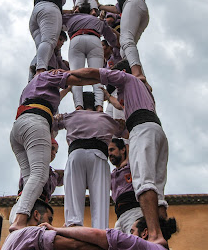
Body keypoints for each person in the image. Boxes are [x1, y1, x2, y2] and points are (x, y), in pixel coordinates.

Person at [67, 62, 169, 248]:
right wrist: (108, 98)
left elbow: (92, 73)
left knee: (143, 183)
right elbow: (119, 106)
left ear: (121, 72)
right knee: (158, 188)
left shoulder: (126, 79)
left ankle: (154, 235)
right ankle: (162, 233)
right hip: (156, 130)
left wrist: (67, 76)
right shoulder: (141, 90)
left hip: (141, 130)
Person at [9, 69, 97, 232]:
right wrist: (101, 78)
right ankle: (20, 220)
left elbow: (54, 98)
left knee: (30, 177)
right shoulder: (46, 75)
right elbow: (75, 78)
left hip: (18, 126)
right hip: (35, 122)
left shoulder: (33, 87)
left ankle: (19, 219)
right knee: (39, 174)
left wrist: (67, 90)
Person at [53, 92, 126, 229]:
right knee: (100, 199)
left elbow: (52, 124)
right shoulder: (105, 118)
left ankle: (73, 226)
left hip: (76, 155)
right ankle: (100, 231)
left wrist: (59, 115)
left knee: (73, 200)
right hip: (98, 156)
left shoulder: (72, 115)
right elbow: (123, 131)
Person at [29, 0, 108, 75]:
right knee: (49, 41)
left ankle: (36, 72)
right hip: (50, 7)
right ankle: (40, 72)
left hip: (37, 11)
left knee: (42, 46)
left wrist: (71, 12)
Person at [62, 5, 118, 111]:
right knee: (98, 74)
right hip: (95, 39)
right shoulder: (97, 20)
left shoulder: (70, 18)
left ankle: (78, 106)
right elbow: (112, 39)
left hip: (76, 39)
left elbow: (57, 16)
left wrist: (71, 11)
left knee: (75, 74)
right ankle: (99, 106)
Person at [3, 199, 102, 250]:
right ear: (36, 215)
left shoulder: (10, 239)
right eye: (49, 219)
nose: (50, 224)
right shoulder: (32, 233)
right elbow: (74, 245)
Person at [40, 215, 177, 249]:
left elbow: (96, 235)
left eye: (132, 231)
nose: (129, 235)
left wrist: (58, 230)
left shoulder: (139, 245)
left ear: (144, 233)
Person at [108, 138, 143, 234]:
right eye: (108, 151)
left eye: (112, 150)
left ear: (123, 150)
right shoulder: (111, 176)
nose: (109, 154)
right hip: (120, 216)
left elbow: (131, 144)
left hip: (134, 212)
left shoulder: (131, 166)